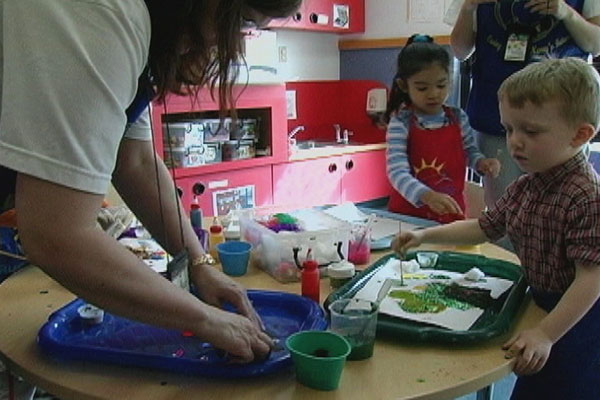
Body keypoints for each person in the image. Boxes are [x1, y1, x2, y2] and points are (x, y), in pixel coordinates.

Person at [0, 0, 301, 373]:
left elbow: (135, 160)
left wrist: (198, 264)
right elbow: (53, 232)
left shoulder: (141, 22)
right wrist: (204, 319)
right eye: (240, 20)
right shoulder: (104, 13)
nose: (227, 44)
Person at [392, 58, 600, 399]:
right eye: (509, 129)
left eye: (530, 131)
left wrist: (546, 333)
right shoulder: (526, 186)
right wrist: (425, 236)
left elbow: (591, 280)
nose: (515, 142)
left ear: (580, 134)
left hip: (578, 322)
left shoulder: (587, 197)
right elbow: (484, 227)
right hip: (540, 308)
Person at [446, 0, 600, 209]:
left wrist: (566, 13)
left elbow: (596, 45)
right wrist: (469, 7)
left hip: (561, 118)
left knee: (563, 203)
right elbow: (460, 50)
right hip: (496, 115)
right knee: (504, 207)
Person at [384, 34, 500, 224]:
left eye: (441, 85)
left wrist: (481, 163)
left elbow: (469, 152)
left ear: (450, 81)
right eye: (422, 88)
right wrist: (426, 196)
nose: (434, 94)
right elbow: (396, 171)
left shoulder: (458, 117)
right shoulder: (401, 121)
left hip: (450, 213)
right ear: (404, 86)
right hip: (407, 218)